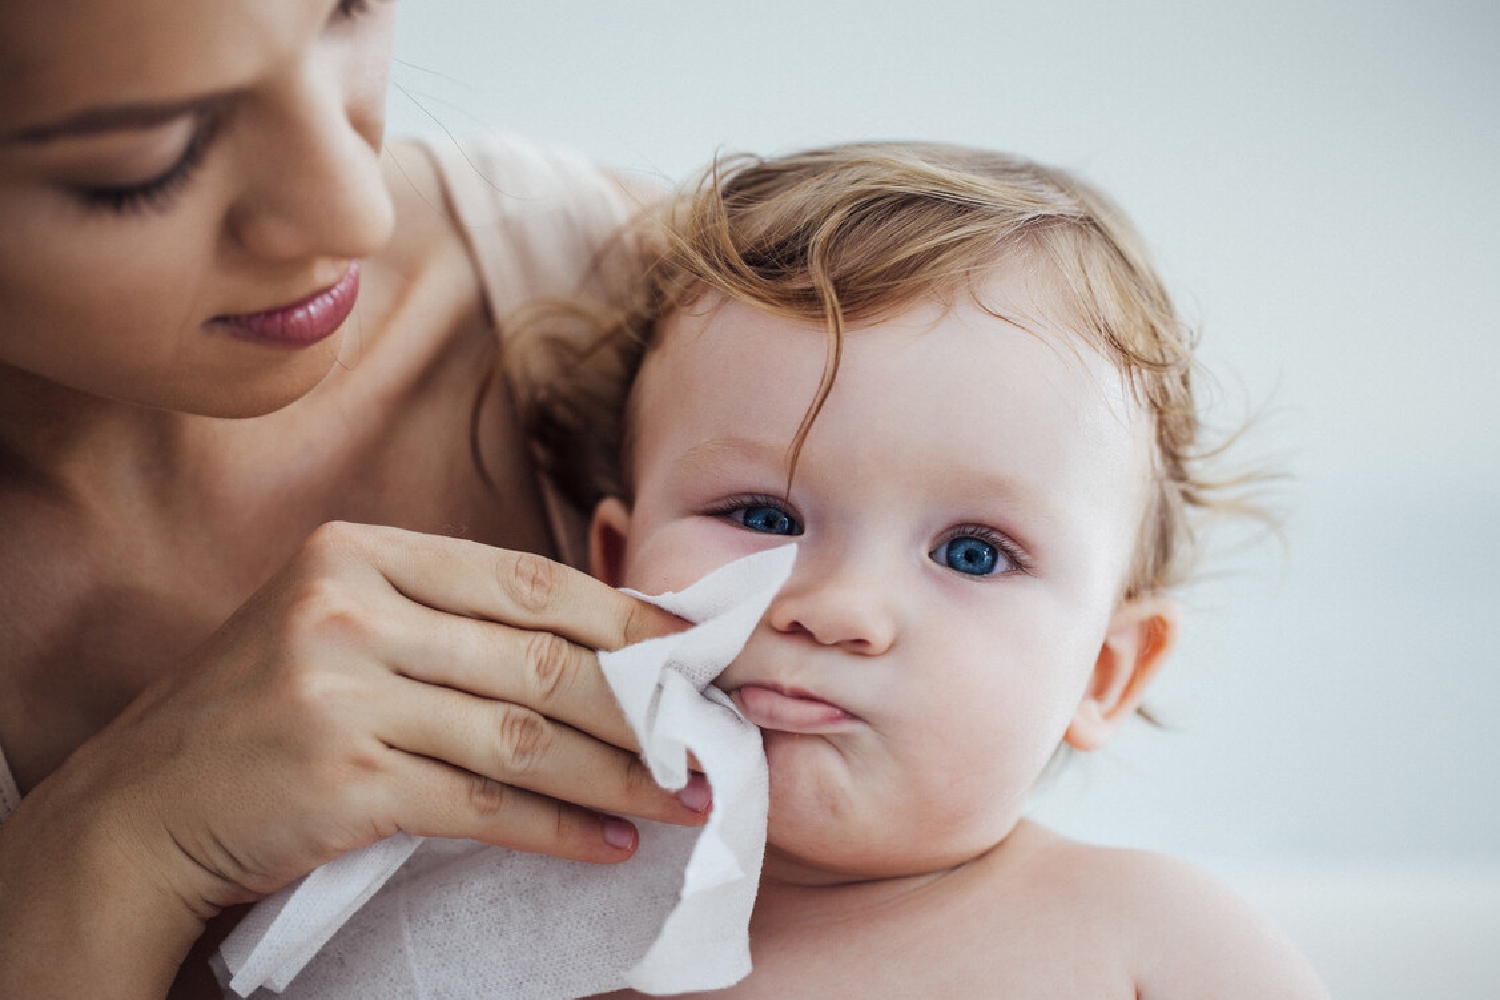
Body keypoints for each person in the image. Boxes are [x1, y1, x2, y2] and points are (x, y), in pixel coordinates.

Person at [0, 2, 712, 997]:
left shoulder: (641, 305)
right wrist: (111, 848)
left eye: (344, 12)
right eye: (146, 161)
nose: (357, 213)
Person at [515, 142, 1332, 997]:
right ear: (613, 571)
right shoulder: (519, 920)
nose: (838, 609)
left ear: (1104, 671)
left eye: (971, 554)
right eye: (763, 517)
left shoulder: (1157, 942)